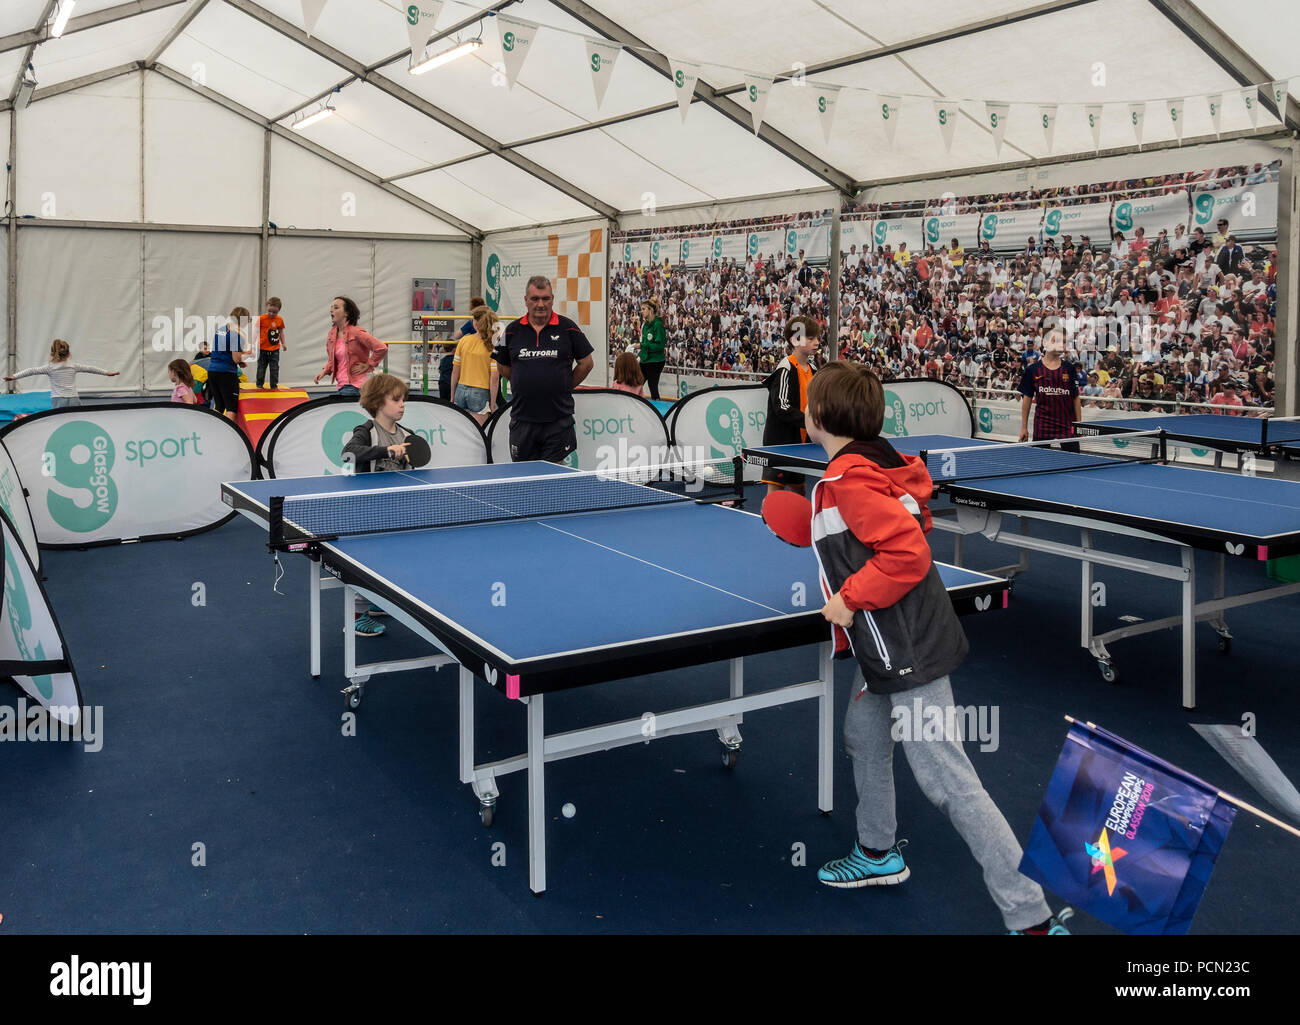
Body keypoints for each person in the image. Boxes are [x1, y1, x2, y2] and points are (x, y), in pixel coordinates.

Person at [807, 361, 1068, 935]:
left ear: (820, 416)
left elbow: (906, 555)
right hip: (890, 642)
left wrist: (849, 598)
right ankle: (878, 853)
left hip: (905, 645)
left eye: (808, 402)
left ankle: (1030, 916)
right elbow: (896, 528)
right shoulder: (878, 466)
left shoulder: (848, 482)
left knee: (946, 778)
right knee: (863, 733)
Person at [341, 373, 421, 637]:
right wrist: (386, 451)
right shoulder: (366, 431)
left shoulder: (407, 434)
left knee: (393, 559)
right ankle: (356, 617)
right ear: (377, 402)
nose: (402, 404)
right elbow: (348, 454)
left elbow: (413, 468)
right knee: (366, 563)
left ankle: (377, 603)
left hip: (396, 510)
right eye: (396, 399)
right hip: (368, 510)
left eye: (403, 400)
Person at [493, 276, 594, 463]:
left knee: (553, 482)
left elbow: (587, 363)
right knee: (524, 480)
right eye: (535, 299)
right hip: (522, 420)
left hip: (558, 421)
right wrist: (520, 380)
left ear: (552, 299)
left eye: (545, 298)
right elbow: (501, 364)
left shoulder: (569, 328)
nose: (541, 304)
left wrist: (564, 385)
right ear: (526, 300)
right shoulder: (510, 331)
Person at [760, 316, 820, 497]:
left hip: (800, 445)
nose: (817, 342)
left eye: (817, 338)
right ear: (795, 340)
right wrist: (811, 422)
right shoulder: (785, 369)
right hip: (780, 445)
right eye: (811, 339)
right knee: (775, 492)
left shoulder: (814, 370)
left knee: (799, 491)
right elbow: (782, 408)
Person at [5, 339, 120, 406]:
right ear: (68, 353)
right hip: (73, 399)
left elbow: (31, 371)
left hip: (58, 399)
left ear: (52, 353)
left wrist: (13, 377)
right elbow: (91, 368)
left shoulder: (50, 367)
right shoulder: (73, 366)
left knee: (59, 424)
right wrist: (107, 373)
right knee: (77, 421)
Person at [1018, 327, 1081, 444]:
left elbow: (1076, 398)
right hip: (1043, 427)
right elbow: (1026, 400)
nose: (1061, 345)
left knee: (1074, 461)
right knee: (1041, 461)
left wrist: (1079, 425)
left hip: (1067, 427)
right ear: (1044, 342)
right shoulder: (1032, 370)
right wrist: (1024, 428)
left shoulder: (1070, 369)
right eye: (1056, 340)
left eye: (1063, 341)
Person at [314, 296, 387, 398]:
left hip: (354, 386)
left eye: (336, 307)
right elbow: (333, 360)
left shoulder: (356, 332)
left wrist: (368, 365)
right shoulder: (332, 334)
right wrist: (324, 371)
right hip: (341, 385)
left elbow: (381, 348)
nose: (331, 310)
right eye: (331, 308)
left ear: (346, 313)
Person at [449, 306, 499, 425]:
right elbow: (495, 379)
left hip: (460, 391)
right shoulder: (494, 345)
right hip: (480, 393)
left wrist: (452, 396)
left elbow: (455, 372)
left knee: (461, 431)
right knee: (478, 436)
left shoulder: (464, 341)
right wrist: (492, 404)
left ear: (475, 323)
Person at [206, 308, 251, 420]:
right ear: (243, 321)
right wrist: (248, 354)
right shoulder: (236, 334)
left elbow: (225, 351)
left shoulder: (221, 330)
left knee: (219, 406)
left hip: (212, 371)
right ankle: (229, 435)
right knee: (231, 408)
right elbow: (235, 358)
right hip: (226, 373)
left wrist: (240, 361)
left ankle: (214, 430)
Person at [637, 298, 667, 401]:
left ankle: (658, 409)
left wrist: (642, 346)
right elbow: (645, 343)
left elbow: (659, 346)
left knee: (652, 385)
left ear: (651, 310)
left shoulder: (658, 325)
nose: (642, 311)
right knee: (637, 383)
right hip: (645, 359)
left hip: (656, 360)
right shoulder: (645, 326)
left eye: (644, 309)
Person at [256, 296, 288, 389]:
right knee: (261, 367)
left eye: (274, 312)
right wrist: (254, 343)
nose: (271, 313)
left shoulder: (279, 320)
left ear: (279, 311)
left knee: (274, 368)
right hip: (262, 348)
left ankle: (274, 386)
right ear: (267, 307)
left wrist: (284, 343)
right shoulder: (261, 319)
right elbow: (256, 331)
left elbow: (281, 332)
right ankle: (259, 385)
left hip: (275, 349)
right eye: (269, 311)